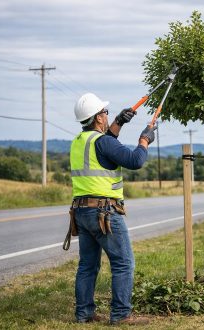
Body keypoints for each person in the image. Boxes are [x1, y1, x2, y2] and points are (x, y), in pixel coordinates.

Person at [70, 93, 155, 325]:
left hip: (82, 211)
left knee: (87, 265)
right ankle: (120, 315)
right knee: (123, 263)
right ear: (98, 118)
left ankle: (84, 314)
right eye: (105, 113)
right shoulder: (103, 142)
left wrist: (118, 123)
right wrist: (144, 140)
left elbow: (104, 148)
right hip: (104, 212)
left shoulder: (79, 141)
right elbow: (135, 161)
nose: (107, 116)